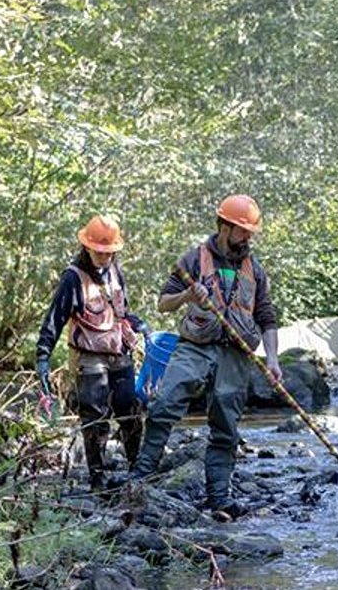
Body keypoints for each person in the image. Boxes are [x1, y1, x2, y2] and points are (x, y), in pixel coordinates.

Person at [112, 195, 281, 520]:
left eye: (251, 232)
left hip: (237, 354)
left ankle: (219, 499)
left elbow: (267, 316)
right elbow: (164, 303)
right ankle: (138, 480)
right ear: (224, 226)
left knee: (226, 426)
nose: (247, 238)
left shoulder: (255, 269)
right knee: (163, 406)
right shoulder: (194, 259)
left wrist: (272, 359)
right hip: (195, 346)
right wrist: (188, 295)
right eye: (242, 231)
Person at [36, 215, 149, 492]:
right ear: (86, 247)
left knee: (130, 409)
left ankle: (136, 470)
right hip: (88, 355)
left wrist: (138, 324)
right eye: (99, 251)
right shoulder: (72, 278)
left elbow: (120, 313)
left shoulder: (116, 273)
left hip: (118, 350)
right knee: (95, 415)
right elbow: (55, 319)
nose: (103, 256)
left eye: (109, 252)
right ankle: (97, 479)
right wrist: (42, 356)